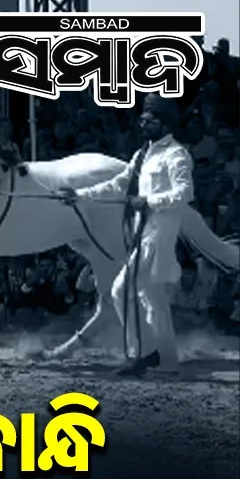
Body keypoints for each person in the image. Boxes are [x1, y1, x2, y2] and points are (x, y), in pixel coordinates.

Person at [57, 94, 193, 376]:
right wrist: (80, 196)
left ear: (164, 123)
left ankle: (141, 354)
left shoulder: (176, 155)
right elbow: (117, 184)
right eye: (143, 119)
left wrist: (148, 201)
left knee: (122, 290)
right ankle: (167, 361)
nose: (142, 123)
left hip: (158, 234)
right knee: (152, 297)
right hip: (141, 233)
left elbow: (184, 193)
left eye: (149, 120)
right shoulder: (143, 154)